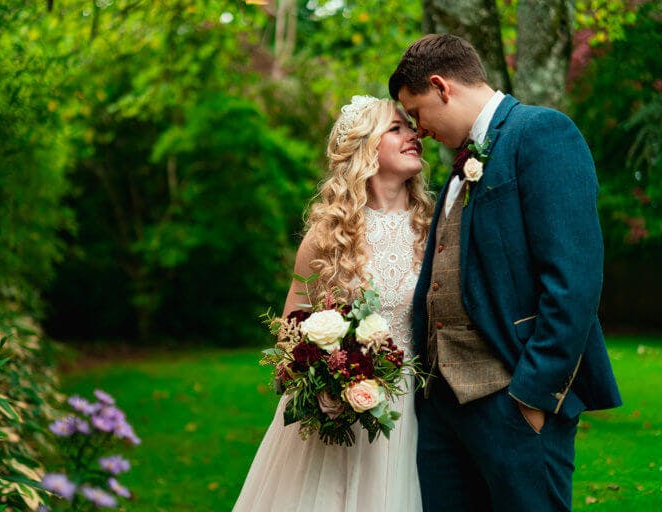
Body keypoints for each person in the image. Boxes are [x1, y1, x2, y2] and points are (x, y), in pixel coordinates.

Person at [387, 34, 622, 511]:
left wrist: (534, 396)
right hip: (440, 410)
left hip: (512, 401)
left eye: (417, 112)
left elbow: (573, 280)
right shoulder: (458, 165)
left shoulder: (541, 132)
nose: (419, 128)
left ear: (440, 86)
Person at [232, 95, 433, 511]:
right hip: (337, 412)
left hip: (414, 407)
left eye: (410, 127)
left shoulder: (433, 228)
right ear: (366, 147)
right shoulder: (329, 235)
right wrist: (326, 375)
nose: (414, 134)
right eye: (396, 128)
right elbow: (291, 328)